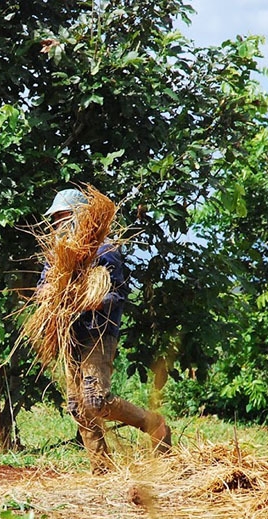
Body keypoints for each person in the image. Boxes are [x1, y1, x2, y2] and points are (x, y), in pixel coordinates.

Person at [43, 189, 171, 474]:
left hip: (98, 333)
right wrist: (51, 297)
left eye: (64, 217)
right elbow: (44, 287)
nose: (59, 224)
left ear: (81, 217)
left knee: (95, 399)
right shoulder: (57, 255)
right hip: (69, 335)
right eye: (56, 219)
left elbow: (118, 294)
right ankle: (102, 469)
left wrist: (91, 300)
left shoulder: (104, 251)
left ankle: (155, 424)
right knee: (77, 406)